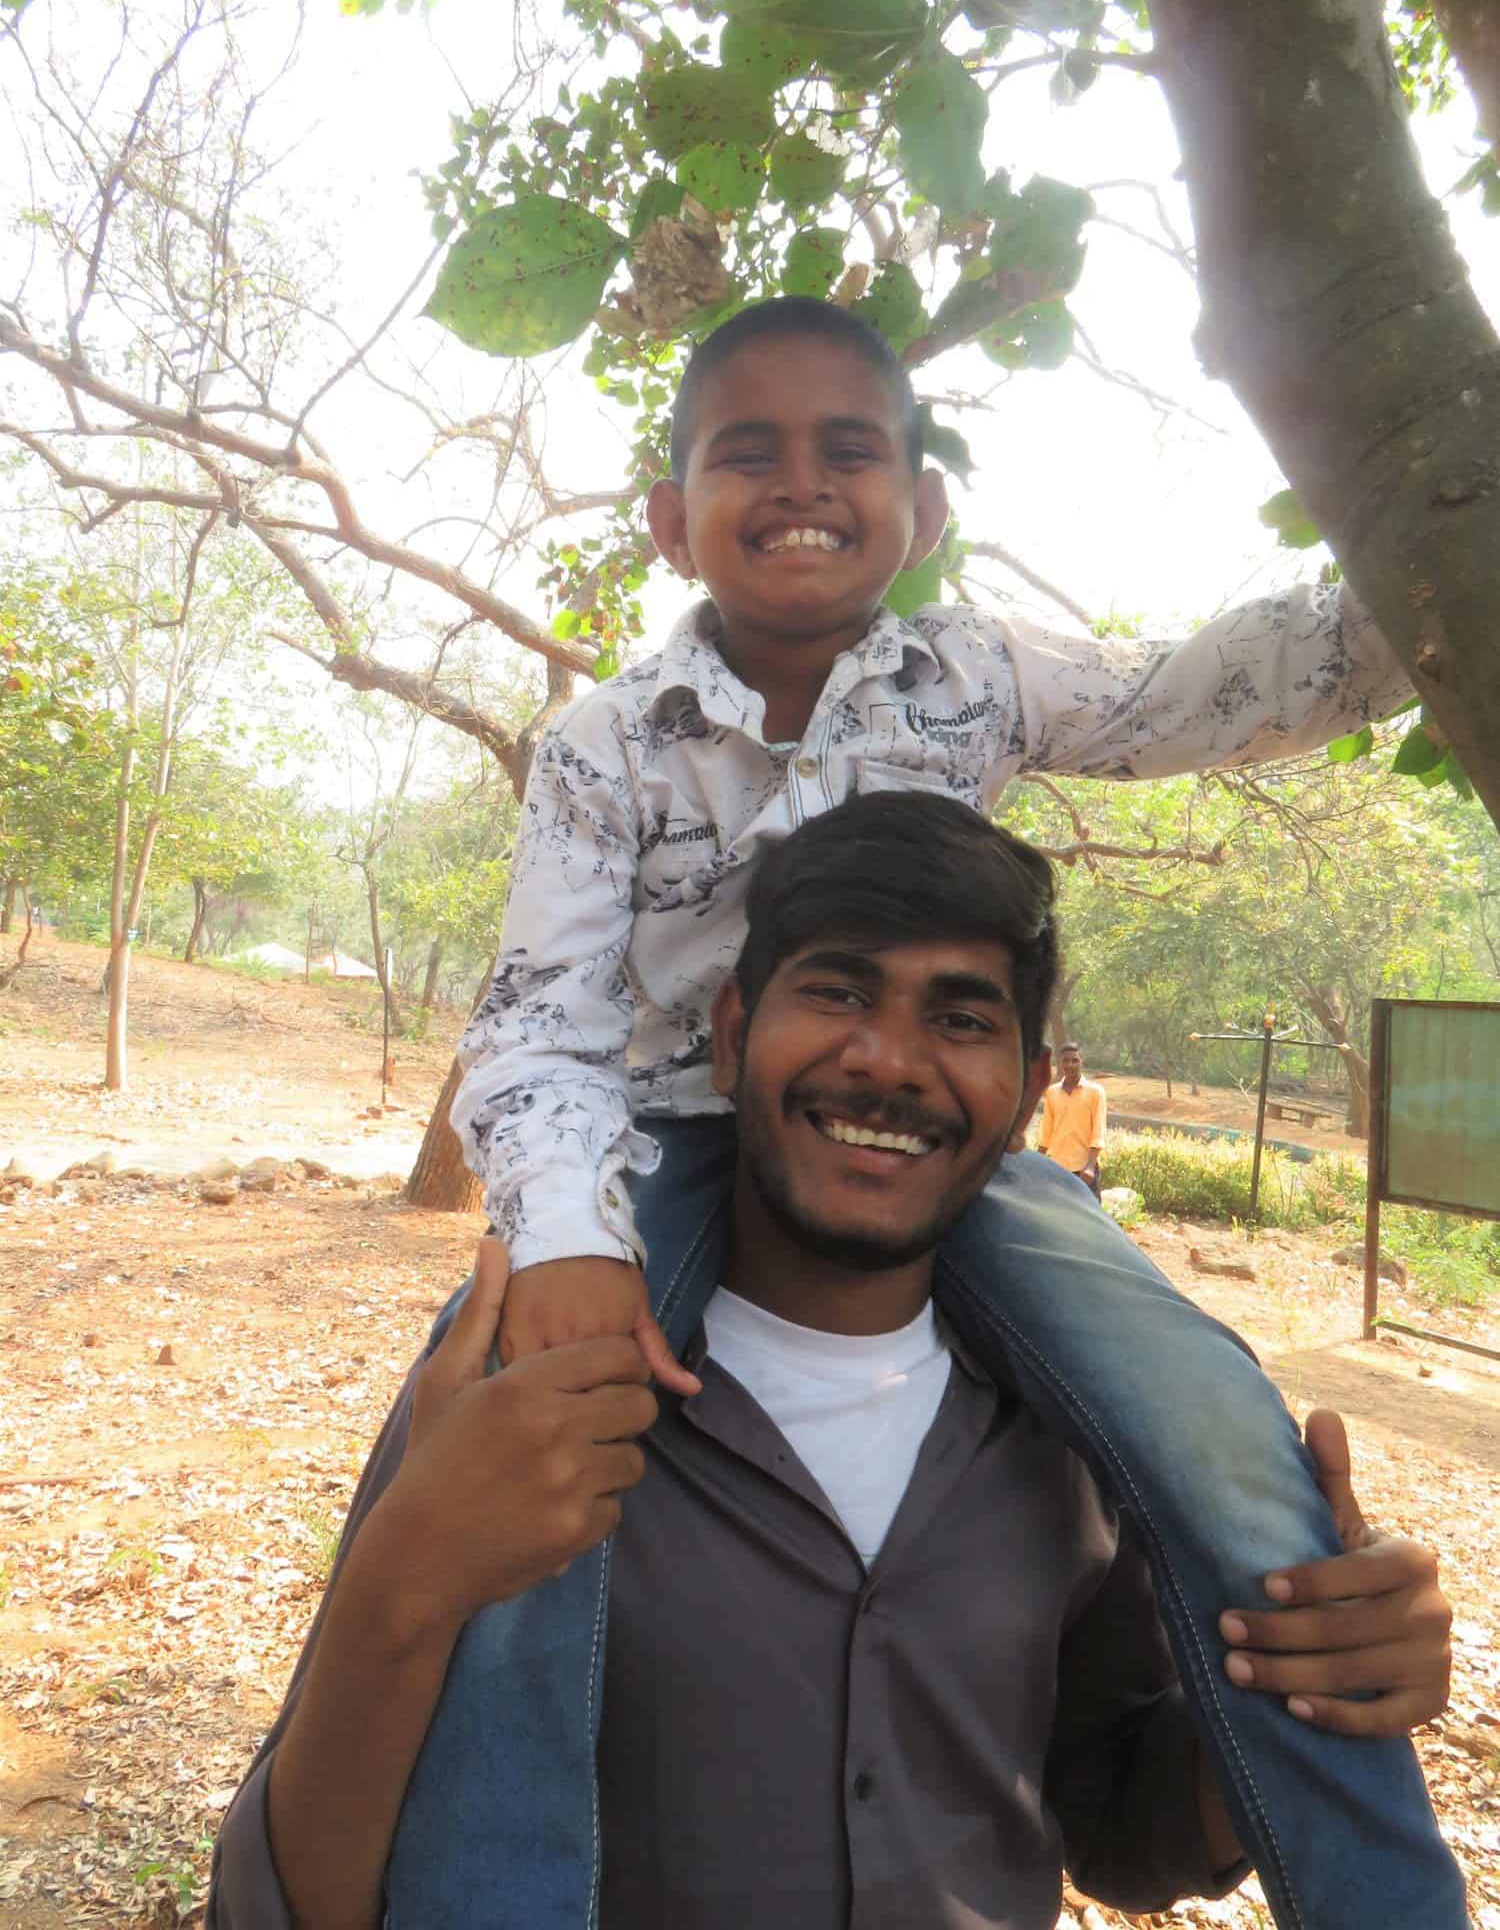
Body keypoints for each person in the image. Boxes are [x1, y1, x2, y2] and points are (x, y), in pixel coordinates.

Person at [430, 298, 1460, 1926]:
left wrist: (1429, 569)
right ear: (667, 515)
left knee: (1224, 1427)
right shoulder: (605, 745)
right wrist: (562, 1237)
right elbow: (537, 1021)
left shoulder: (974, 672)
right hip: (656, 1161)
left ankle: (1386, 1894)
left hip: (943, 1162)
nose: (800, 484)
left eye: (852, 449)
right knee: (504, 1480)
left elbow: (1203, 691)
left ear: (923, 507)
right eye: (742, 452)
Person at [208, 795, 1459, 1930]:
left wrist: (1313, 1687)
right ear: (732, 1031)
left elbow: (1121, 1831)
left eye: (960, 1017)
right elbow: (291, 1897)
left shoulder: (1081, 1420)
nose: (889, 1059)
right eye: (838, 991)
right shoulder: (525, 1379)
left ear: (1026, 1092)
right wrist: (405, 1577)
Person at [1038, 1042, 1107, 1197]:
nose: (1070, 1065)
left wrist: (1089, 1167)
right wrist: (1037, 1161)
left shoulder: (1095, 1092)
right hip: (1057, 1168)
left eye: (1075, 1060)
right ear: (1060, 1063)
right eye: (1066, 1060)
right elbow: (1046, 1131)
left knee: (1088, 1217)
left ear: (1081, 1061)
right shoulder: (1052, 1092)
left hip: (1084, 1170)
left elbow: (1098, 1131)